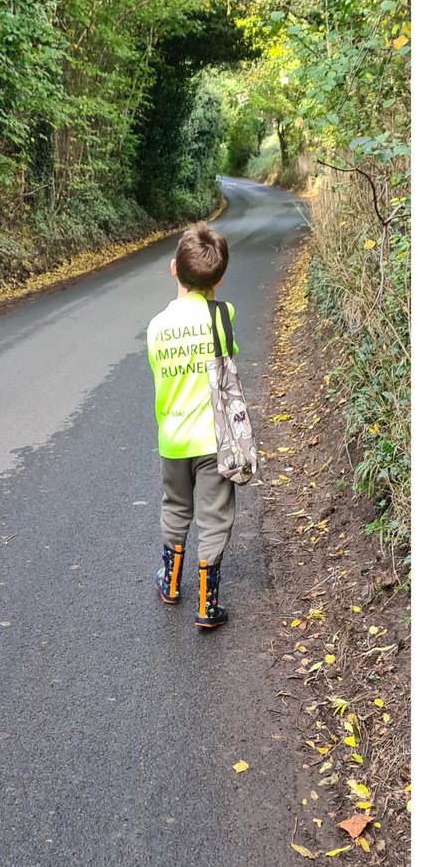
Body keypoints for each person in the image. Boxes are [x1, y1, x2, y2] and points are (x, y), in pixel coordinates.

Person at [145, 221, 238, 628]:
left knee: (176, 507)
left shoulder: (155, 327)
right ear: (218, 279)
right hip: (213, 438)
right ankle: (206, 604)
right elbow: (227, 355)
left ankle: (169, 583)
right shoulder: (223, 315)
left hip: (172, 438)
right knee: (214, 516)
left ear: (172, 269)